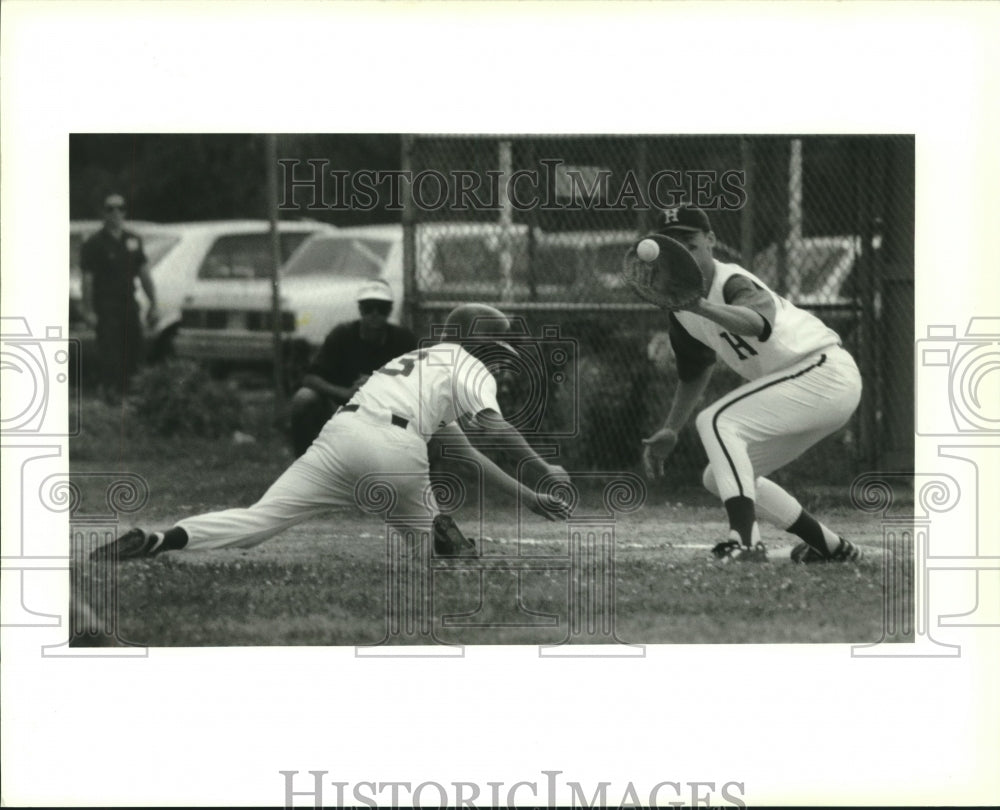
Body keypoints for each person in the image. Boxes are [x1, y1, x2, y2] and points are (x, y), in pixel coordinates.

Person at [91, 303, 571, 561]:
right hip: (396, 453)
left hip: (341, 435)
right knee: (433, 552)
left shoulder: (413, 362)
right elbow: (493, 428)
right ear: (482, 343)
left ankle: (160, 539)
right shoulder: (469, 363)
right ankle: (440, 537)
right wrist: (542, 466)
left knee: (258, 522)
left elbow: (466, 453)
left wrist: (529, 496)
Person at [640, 205, 863, 564]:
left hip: (823, 370)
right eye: (670, 243)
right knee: (720, 475)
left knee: (717, 421)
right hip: (803, 389)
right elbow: (695, 370)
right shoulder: (681, 308)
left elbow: (757, 323)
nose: (680, 250)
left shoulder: (730, 281)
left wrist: (699, 306)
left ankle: (744, 541)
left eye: (689, 241)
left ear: (711, 241)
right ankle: (829, 546)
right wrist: (671, 428)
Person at [289, 279, 417, 457]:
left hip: (388, 411)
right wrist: (346, 393)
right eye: (368, 307)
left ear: (389, 310)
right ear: (360, 309)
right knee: (303, 399)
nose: (374, 314)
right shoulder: (342, 335)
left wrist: (380, 387)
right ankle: (304, 466)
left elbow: (421, 383)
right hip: (341, 408)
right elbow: (310, 378)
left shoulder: (404, 340)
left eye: (381, 308)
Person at [79, 193, 159, 402]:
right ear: (103, 213)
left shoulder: (132, 240)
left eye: (120, 208)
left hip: (128, 302)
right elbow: (87, 280)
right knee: (110, 350)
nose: (116, 213)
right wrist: (88, 310)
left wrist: (154, 303)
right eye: (110, 208)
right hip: (105, 304)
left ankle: (132, 394)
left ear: (125, 211)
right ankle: (110, 394)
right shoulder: (94, 243)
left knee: (134, 347)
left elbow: (144, 274)